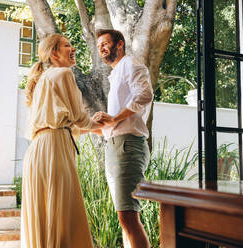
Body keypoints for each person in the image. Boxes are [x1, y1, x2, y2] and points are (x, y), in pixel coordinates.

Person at [21, 33, 102, 248]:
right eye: (67, 45)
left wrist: (92, 129)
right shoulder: (64, 73)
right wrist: (104, 124)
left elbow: (63, 124)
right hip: (54, 149)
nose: (72, 48)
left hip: (38, 149)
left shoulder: (43, 80)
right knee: (63, 214)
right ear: (54, 53)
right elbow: (79, 117)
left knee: (44, 214)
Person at [92, 29, 153, 248]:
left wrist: (114, 117)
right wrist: (84, 127)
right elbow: (112, 128)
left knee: (128, 217)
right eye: (99, 46)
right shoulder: (115, 74)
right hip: (116, 147)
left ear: (120, 44)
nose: (102, 48)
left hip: (128, 146)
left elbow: (145, 95)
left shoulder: (131, 65)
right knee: (123, 218)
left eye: (105, 43)